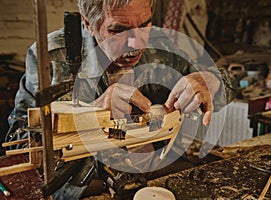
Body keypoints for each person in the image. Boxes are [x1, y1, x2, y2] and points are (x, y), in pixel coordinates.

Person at [6, 0, 238, 198]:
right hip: (85, 188)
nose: (136, 43)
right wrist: (89, 113)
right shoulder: (49, 58)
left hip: (160, 177)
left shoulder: (164, 46)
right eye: (119, 30)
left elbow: (229, 83)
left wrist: (211, 82)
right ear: (88, 25)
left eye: (145, 24)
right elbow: (18, 141)